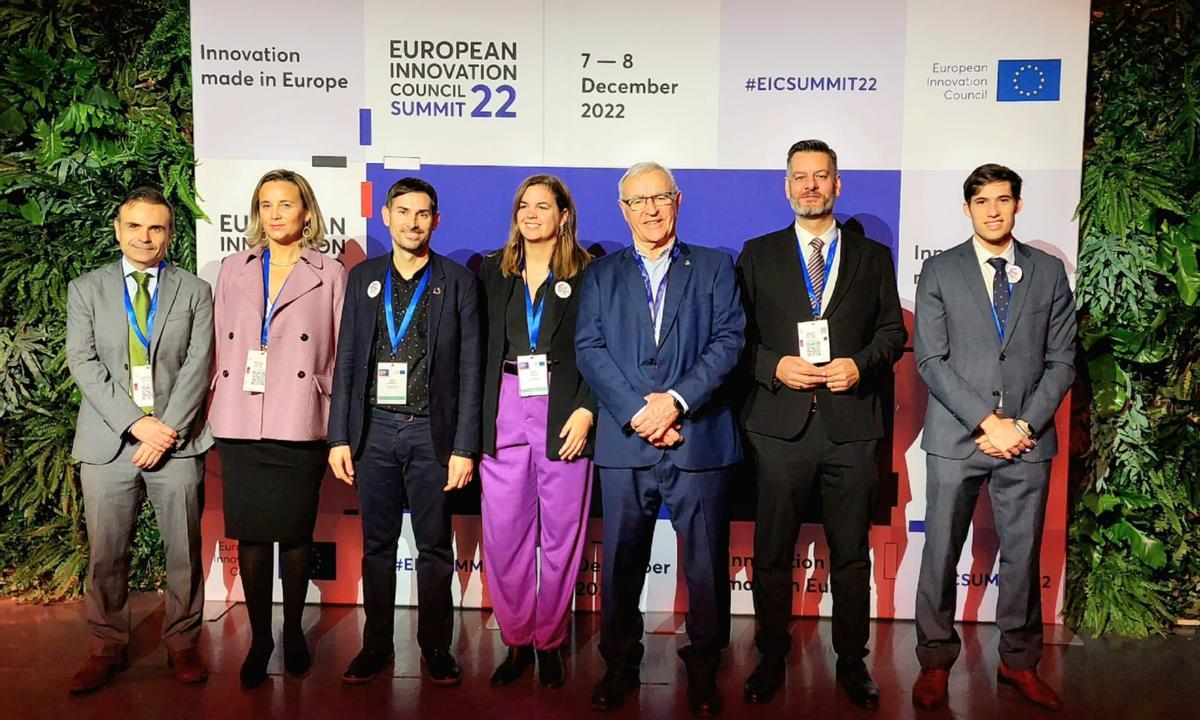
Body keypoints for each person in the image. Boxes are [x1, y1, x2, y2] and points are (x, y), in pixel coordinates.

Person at [736, 139, 905, 709]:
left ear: (838, 185)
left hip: (852, 427)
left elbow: (892, 334)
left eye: (821, 176)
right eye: (800, 176)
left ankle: (852, 661)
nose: (810, 185)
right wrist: (773, 365)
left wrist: (859, 365)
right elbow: (737, 340)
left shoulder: (872, 256)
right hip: (779, 426)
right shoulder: (756, 255)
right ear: (786, 187)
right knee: (772, 553)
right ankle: (771, 654)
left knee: (852, 554)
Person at [576, 161, 745, 717]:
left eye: (661, 198)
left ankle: (702, 671)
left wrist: (673, 402)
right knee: (622, 562)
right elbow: (590, 349)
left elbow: (728, 342)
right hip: (627, 445)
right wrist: (635, 411)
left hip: (697, 439)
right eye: (638, 201)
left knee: (705, 566)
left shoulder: (717, 267)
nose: (651, 209)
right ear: (622, 209)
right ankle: (619, 664)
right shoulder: (601, 274)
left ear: (678, 201)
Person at [911, 164, 1076, 712]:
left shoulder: (1049, 272)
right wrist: (989, 422)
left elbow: (1061, 361)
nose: (993, 210)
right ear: (967, 209)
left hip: (1027, 441)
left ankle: (1019, 664)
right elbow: (931, 362)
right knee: (939, 554)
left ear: (1018, 205)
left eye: (1003, 199)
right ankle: (934, 661)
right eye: (981, 201)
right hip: (959, 439)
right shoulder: (939, 271)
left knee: (1024, 557)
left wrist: (1023, 425)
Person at [328, 177, 482, 687]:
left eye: (423, 214)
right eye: (403, 212)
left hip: (429, 436)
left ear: (435, 221)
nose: (413, 222)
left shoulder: (457, 281)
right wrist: (339, 437)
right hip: (373, 431)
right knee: (377, 545)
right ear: (387, 217)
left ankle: (436, 646)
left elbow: (470, 370)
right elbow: (346, 359)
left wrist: (464, 446)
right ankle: (375, 646)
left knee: (435, 547)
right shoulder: (364, 278)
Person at [65, 187, 213, 693]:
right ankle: (107, 646)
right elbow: (83, 363)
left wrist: (165, 428)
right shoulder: (85, 289)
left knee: (184, 552)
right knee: (106, 554)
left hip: (178, 442)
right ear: (118, 229)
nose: (145, 236)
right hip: (109, 442)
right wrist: (136, 423)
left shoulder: (194, 290)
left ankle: (183, 645)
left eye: (156, 228)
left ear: (169, 234)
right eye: (135, 226)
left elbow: (199, 364)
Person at [208, 169, 346, 687]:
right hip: (240, 417)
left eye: (286, 204)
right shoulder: (233, 268)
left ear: (306, 212)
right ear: (257, 213)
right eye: (267, 204)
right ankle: (260, 636)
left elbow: (340, 347)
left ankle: (292, 632)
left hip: (299, 415)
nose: (276, 213)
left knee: (293, 534)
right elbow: (220, 342)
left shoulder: (329, 271)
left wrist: (328, 401)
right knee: (249, 535)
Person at [479, 175, 596, 688]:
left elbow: (603, 347)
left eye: (542, 206)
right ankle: (516, 641)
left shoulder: (590, 274)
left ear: (563, 216)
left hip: (563, 407)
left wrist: (588, 408)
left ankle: (549, 641)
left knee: (562, 535)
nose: (531, 214)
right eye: (523, 205)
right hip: (504, 404)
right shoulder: (490, 271)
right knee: (504, 535)